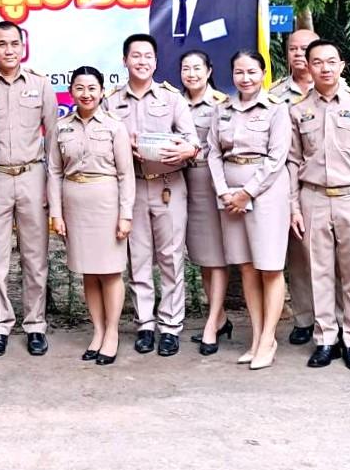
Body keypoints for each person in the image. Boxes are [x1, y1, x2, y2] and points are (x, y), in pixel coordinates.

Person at [287, 39, 350, 372]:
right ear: (308, 67)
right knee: (320, 272)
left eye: (331, 61)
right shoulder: (299, 110)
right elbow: (292, 161)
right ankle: (326, 338)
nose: (325, 68)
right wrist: (294, 207)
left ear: (342, 65)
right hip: (313, 196)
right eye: (317, 62)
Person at [104, 33, 200, 356]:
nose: (142, 61)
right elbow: (103, 143)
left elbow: (192, 141)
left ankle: (171, 326)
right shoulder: (112, 100)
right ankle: (145, 323)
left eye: (148, 56)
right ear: (125, 60)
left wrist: (185, 151)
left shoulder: (172, 99)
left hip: (169, 187)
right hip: (132, 188)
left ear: (156, 62)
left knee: (172, 259)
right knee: (139, 260)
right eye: (136, 56)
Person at [0, 21, 58, 358]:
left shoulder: (40, 85)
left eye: (14, 44)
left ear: (23, 47)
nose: (9, 50)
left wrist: (51, 188)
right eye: (1, 44)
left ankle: (35, 324)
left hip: (32, 176)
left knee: (35, 258)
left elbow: (52, 140)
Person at [207, 50, 293, 370]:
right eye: (239, 72)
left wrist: (246, 192)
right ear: (232, 75)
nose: (245, 78)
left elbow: (276, 158)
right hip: (229, 197)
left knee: (269, 267)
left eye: (252, 72)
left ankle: (269, 339)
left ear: (263, 73)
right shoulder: (222, 109)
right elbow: (213, 153)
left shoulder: (276, 109)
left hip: (266, 194)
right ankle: (256, 337)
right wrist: (224, 192)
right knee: (245, 267)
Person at [47, 66, 134, 364]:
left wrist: (126, 216)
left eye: (92, 88)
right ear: (71, 91)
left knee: (110, 271)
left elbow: (126, 174)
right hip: (75, 205)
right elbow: (54, 172)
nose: (86, 94)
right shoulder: (61, 127)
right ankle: (97, 331)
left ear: (102, 91)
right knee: (88, 271)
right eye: (80, 88)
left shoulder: (114, 126)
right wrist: (56, 214)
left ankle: (112, 333)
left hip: (107, 204)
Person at [177, 49, 233, 353]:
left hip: (209, 182)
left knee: (215, 256)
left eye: (197, 68)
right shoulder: (173, 102)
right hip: (178, 181)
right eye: (186, 68)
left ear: (209, 71)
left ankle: (212, 322)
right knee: (201, 255)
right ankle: (221, 316)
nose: (192, 74)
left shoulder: (221, 105)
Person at [270, 29, 320, 345]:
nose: (299, 54)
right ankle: (304, 318)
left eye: (306, 48)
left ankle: (335, 319)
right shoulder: (274, 95)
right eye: (293, 48)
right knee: (298, 258)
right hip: (287, 186)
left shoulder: (339, 90)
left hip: (326, 185)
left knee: (332, 259)